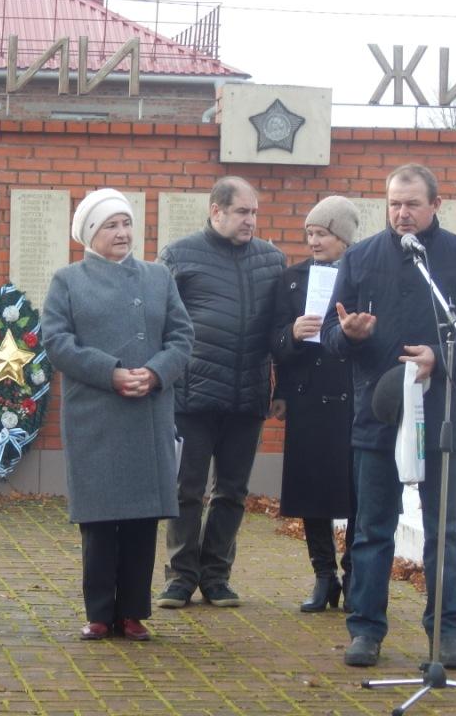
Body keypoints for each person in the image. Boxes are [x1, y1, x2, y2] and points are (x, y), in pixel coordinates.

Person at [321, 163, 456, 669]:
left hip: (443, 415)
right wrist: (350, 335)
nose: (402, 213)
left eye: (412, 204)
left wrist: (440, 358)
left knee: (446, 531)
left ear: (435, 206)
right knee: (372, 530)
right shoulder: (359, 257)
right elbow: (331, 338)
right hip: (378, 415)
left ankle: (446, 633)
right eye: (394, 204)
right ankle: (365, 630)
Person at [43, 189, 193, 641]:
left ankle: (132, 613)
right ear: (91, 233)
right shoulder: (68, 281)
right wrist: (110, 373)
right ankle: (99, 613)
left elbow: (182, 337)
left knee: (142, 520)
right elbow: (56, 342)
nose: (123, 232)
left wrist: (156, 372)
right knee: (100, 520)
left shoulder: (158, 277)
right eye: (111, 225)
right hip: (96, 417)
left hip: (147, 412)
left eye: (126, 223)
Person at [156, 176, 285, 609]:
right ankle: (180, 576)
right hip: (191, 396)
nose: (251, 220)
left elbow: (279, 329)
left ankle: (216, 576)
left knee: (232, 492)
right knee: (186, 490)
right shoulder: (178, 256)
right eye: (242, 211)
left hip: (247, 396)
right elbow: (161, 324)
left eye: (254, 213)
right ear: (216, 211)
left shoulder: (272, 260)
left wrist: (281, 387)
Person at [270, 195, 358, 614]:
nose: (314, 242)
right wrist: (291, 333)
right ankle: (324, 574)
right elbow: (273, 340)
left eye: (322, 233)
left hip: (353, 398)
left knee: (357, 490)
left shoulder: (363, 273)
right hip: (307, 398)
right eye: (310, 234)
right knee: (311, 490)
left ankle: (355, 574)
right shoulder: (292, 279)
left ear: (343, 237)